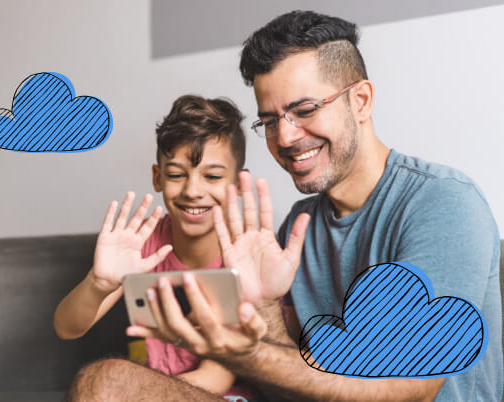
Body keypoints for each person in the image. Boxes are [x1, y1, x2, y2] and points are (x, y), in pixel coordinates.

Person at [71, 10, 503, 402]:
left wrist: (241, 354)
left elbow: (413, 386)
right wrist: (262, 307)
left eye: (305, 109)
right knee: (104, 382)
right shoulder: (300, 224)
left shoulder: (443, 201)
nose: (287, 137)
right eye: (271, 120)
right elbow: (297, 368)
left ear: (362, 101)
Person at [54, 94, 259, 401]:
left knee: (107, 382)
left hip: (219, 396)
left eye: (212, 176)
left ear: (240, 184)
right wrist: (98, 284)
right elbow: (66, 327)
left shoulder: (248, 255)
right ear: (158, 177)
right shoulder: (145, 243)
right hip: (149, 391)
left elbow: (214, 378)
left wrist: (129, 391)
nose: (192, 191)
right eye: (177, 175)